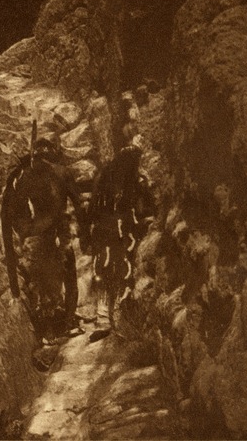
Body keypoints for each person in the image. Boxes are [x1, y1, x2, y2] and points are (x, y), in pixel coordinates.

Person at [1, 128, 90, 342]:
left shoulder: (25, 176)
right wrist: (85, 233)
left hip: (38, 234)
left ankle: (48, 329)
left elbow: (15, 211)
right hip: (58, 232)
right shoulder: (62, 172)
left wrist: (26, 232)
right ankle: (67, 322)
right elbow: (79, 204)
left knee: (42, 282)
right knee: (68, 277)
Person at [86, 138, 155, 341]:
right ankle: (116, 318)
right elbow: (145, 206)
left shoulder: (104, 176)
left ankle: (103, 319)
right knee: (122, 271)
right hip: (122, 232)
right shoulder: (136, 179)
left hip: (104, 232)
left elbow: (92, 207)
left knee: (103, 272)